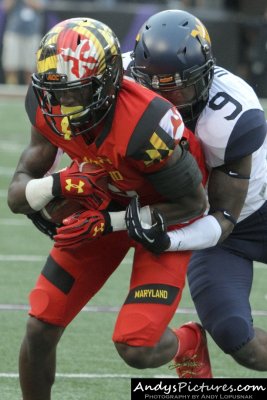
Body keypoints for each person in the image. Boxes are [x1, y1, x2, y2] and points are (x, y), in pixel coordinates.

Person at [7, 17, 213, 399]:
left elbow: (192, 202)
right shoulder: (46, 102)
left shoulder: (146, 123)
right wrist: (57, 183)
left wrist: (108, 223)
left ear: (106, 83)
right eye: (55, 92)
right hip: (105, 198)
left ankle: (189, 343)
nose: (61, 105)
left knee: (137, 345)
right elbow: (17, 193)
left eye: (75, 93)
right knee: (40, 324)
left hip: (164, 213)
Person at [125, 9, 267, 373]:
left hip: (242, 211)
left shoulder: (232, 113)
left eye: (175, 87)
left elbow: (224, 217)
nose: (162, 99)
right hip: (213, 229)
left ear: (203, 77)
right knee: (238, 339)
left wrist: (168, 240)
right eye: (152, 86)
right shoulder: (121, 76)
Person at [2, 0, 46, 85]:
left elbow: (41, 6)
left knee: (31, 69)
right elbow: (6, 7)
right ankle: (11, 92)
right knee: (11, 66)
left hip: (33, 33)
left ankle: (30, 94)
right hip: (13, 32)